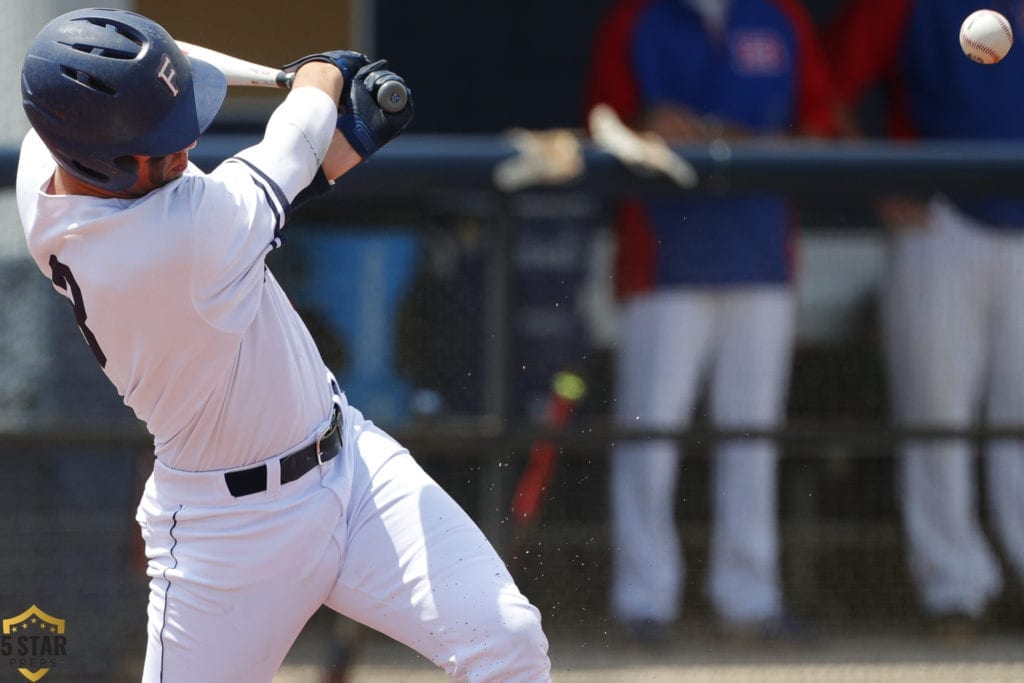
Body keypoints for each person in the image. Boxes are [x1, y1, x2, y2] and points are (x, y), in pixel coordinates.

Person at [16, 8, 550, 682]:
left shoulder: (48, 170)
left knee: (506, 640)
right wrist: (323, 75)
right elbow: (293, 148)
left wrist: (330, 118)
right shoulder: (182, 240)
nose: (187, 151)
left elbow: (284, 176)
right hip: (225, 535)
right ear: (102, 159)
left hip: (350, 466)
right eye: (166, 143)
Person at [584, 0, 839, 642]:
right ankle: (644, 600)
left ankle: (748, 598)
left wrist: (743, 143)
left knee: (751, 437)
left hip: (759, 253)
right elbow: (599, 126)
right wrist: (647, 126)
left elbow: (823, 127)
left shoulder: (780, 17)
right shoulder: (637, 19)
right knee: (651, 436)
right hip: (664, 257)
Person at [828, 0, 1024, 633]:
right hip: (941, 220)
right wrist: (879, 182)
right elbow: (825, 87)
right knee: (937, 417)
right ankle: (954, 591)